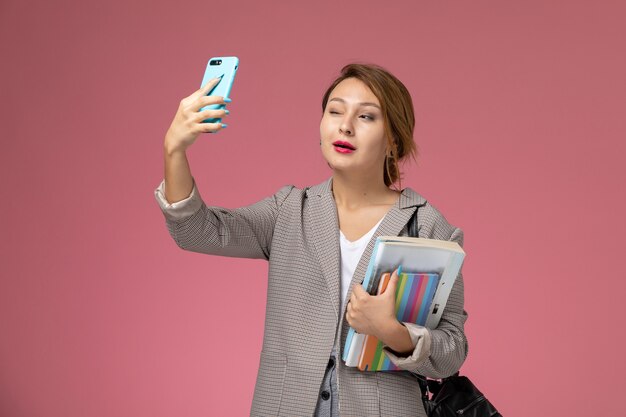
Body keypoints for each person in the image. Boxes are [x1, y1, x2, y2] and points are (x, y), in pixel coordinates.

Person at [154, 63, 468, 417]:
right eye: (335, 111)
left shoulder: (427, 224)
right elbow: (198, 231)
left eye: (366, 117)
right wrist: (173, 150)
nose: (345, 125)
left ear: (394, 140)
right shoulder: (290, 210)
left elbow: (452, 351)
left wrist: (393, 333)